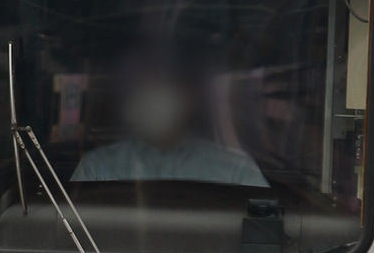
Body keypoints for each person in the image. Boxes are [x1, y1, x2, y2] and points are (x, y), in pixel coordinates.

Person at [73, 47, 266, 188]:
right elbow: (71, 232)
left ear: (189, 97)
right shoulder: (97, 168)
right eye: (144, 89)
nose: (153, 100)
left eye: (163, 88)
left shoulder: (237, 171)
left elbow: (265, 231)